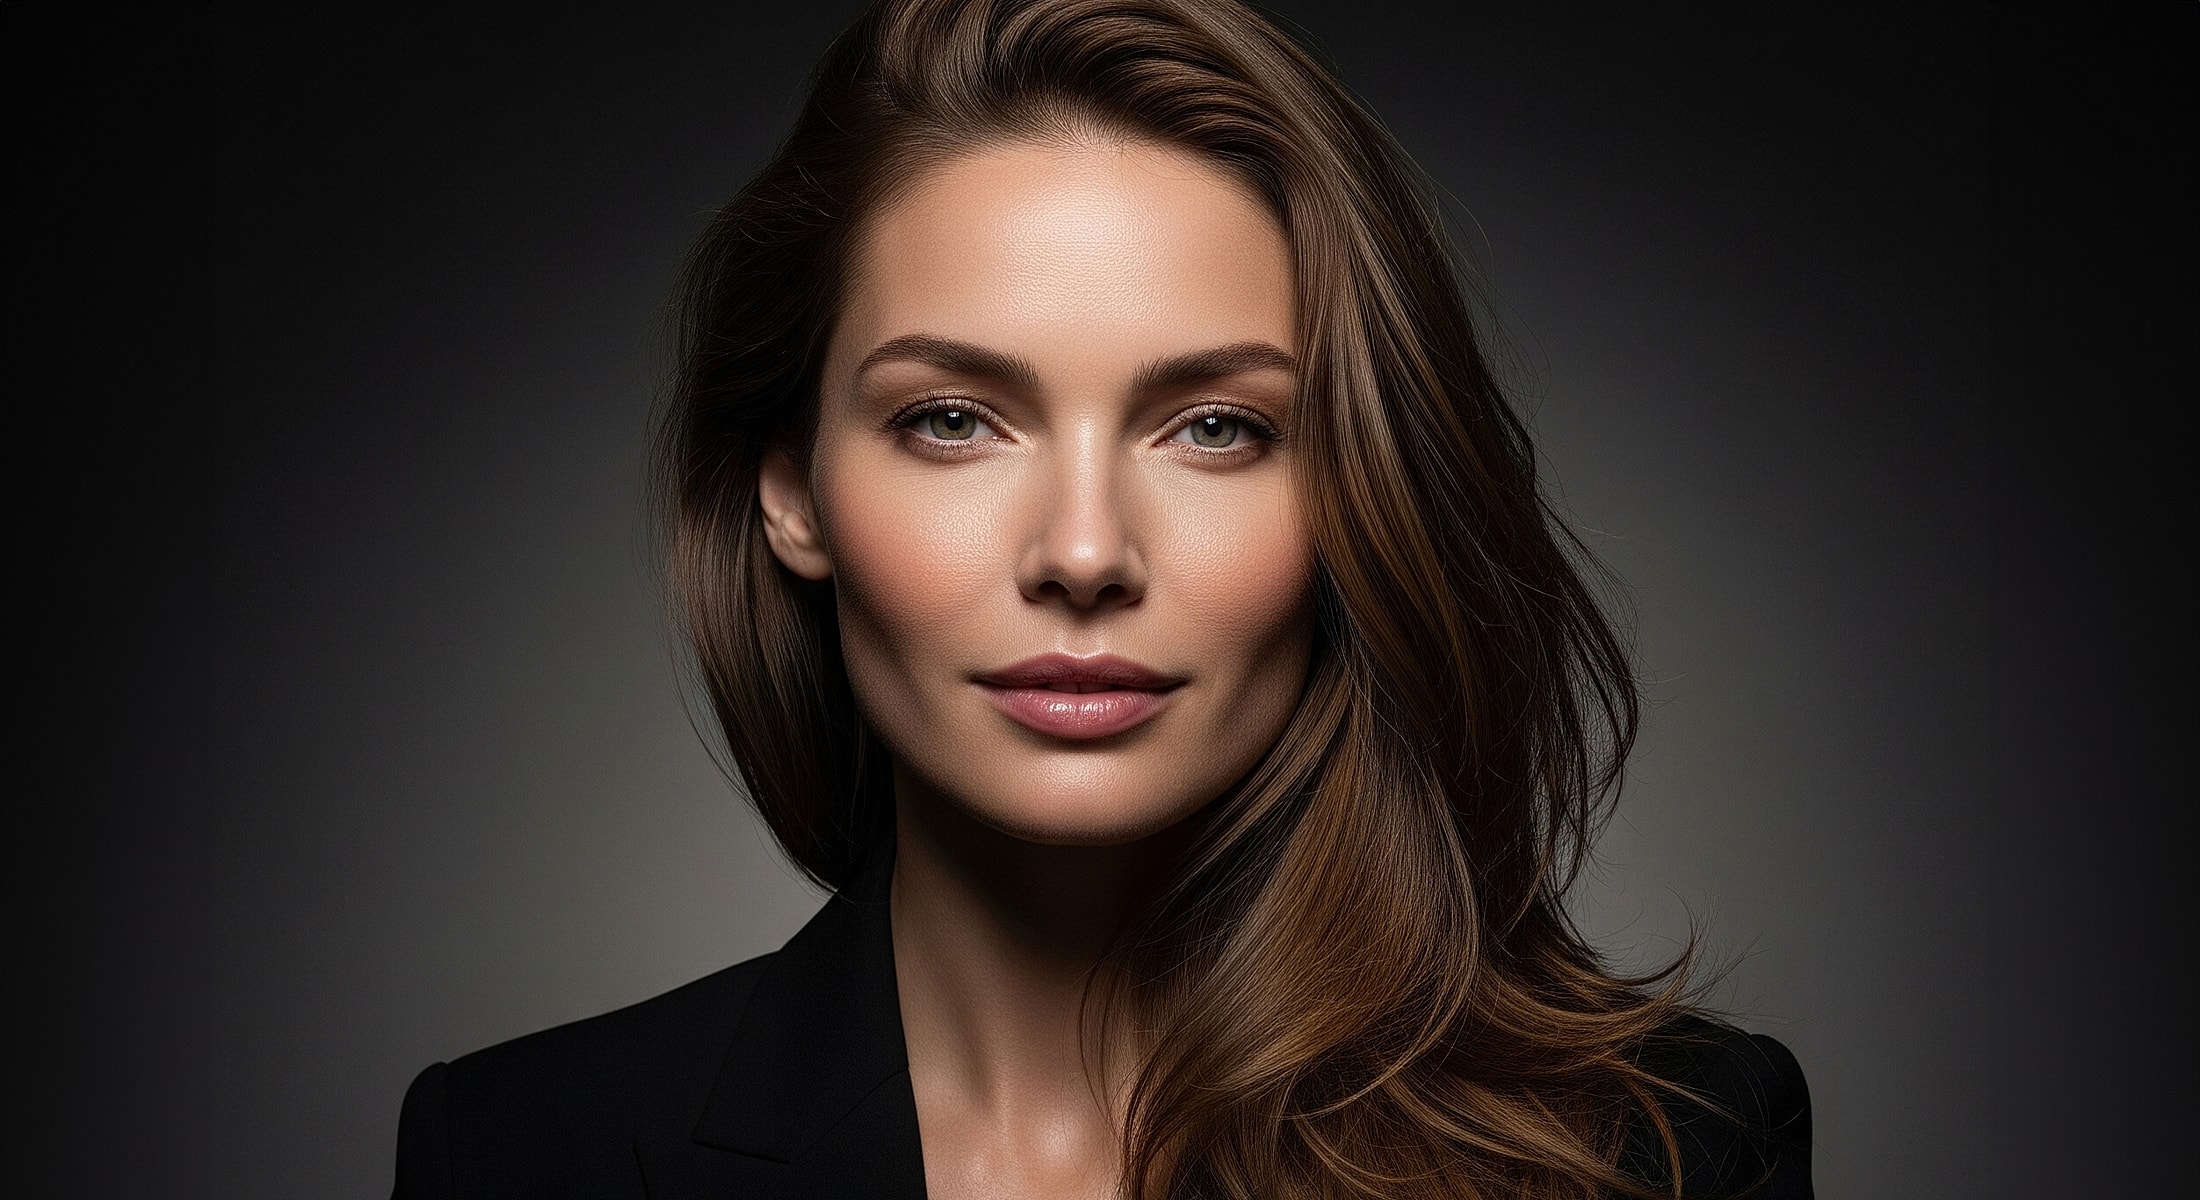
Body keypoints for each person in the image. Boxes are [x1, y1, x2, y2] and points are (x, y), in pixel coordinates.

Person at [391, 0, 1811, 1196]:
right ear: (793, 493)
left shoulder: (1669, 1148)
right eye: (953, 418)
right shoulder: (524, 1152)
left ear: (1361, 496)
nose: (1083, 551)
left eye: (1215, 427)